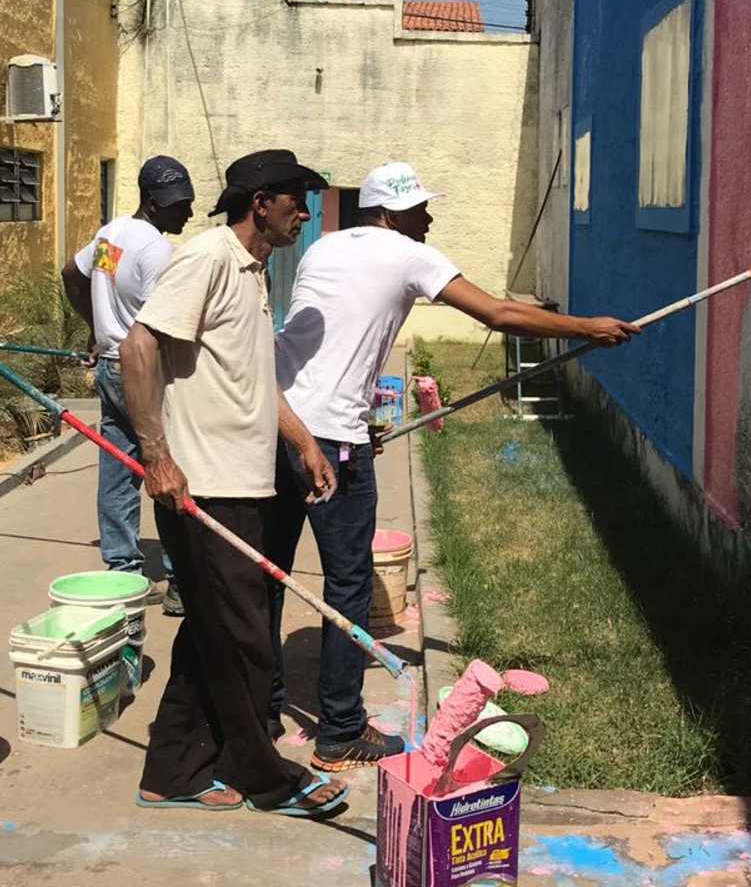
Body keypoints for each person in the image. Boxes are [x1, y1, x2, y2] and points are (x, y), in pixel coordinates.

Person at [266, 161, 638, 771]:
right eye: (421, 209)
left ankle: (263, 709)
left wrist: (363, 417)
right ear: (392, 213)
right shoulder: (411, 255)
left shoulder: (324, 249)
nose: (430, 218)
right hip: (330, 441)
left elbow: (331, 342)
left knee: (271, 573)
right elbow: (498, 315)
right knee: (348, 583)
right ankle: (338, 732)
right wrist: (584, 330)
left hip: (279, 422)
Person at [121, 149, 349, 817]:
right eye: (295, 201)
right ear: (260, 202)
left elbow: (252, 377)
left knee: (213, 634)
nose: (303, 214)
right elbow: (139, 346)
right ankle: (266, 775)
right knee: (248, 641)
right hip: (204, 487)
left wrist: (304, 443)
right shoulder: (209, 258)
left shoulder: (250, 272)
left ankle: (170, 770)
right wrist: (157, 458)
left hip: (243, 484)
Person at [61, 155, 194, 616]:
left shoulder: (111, 235)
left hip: (110, 367)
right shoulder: (156, 250)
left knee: (118, 468)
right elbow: (169, 321)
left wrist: (96, 331)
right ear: (152, 202)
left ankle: (122, 575)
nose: (188, 214)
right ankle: (180, 580)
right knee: (168, 466)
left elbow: (71, 276)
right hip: (144, 374)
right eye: (180, 205)